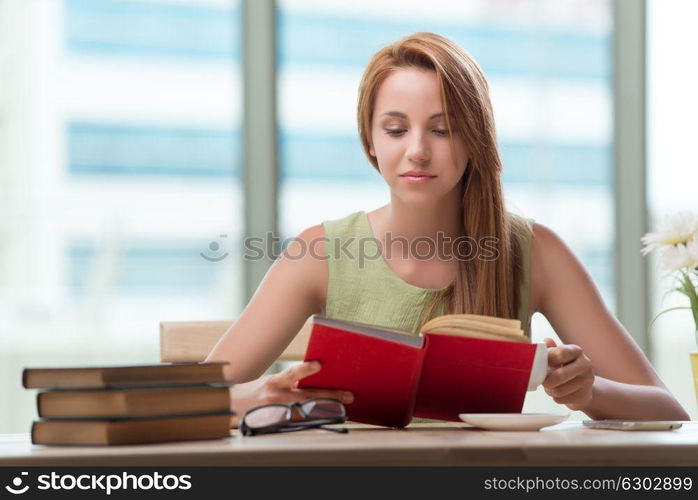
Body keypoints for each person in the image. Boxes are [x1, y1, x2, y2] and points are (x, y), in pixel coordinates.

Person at [206, 32, 689, 425]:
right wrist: (257, 395)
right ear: (371, 142)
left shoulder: (535, 251)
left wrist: (588, 390)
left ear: (475, 139)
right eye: (395, 129)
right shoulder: (318, 251)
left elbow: (667, 409)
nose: (417, 150)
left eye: (442, 129)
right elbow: (183, 401)